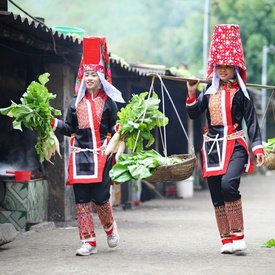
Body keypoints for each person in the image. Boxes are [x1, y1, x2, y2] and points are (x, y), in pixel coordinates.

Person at [185, 24, 265, 254]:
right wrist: (192, 92)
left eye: (227, 65)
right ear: (214, 66)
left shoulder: (241, 93)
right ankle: (226, 240)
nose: (222, 69)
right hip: (211, 147)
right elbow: (193, 113)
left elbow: (251, 121)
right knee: (217, 194)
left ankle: (239, 236)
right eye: (219, 65)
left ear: (236, 67)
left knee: (229, 185)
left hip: (235, 144)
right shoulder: (208, 90)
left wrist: (258, 148)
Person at [51, 37, 125, 256]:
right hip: (79, 156)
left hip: (102, 154)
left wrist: (122, 126)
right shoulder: (75, 103)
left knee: (101, 198)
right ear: (82, 76)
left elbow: (114, 126)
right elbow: (69, 128)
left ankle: (110, 228)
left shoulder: (109, 102)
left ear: (101, 77)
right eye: (87, 74)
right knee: (81, 199)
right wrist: (53, 123)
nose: (90, 78)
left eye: (94, 74)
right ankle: (88, 242)